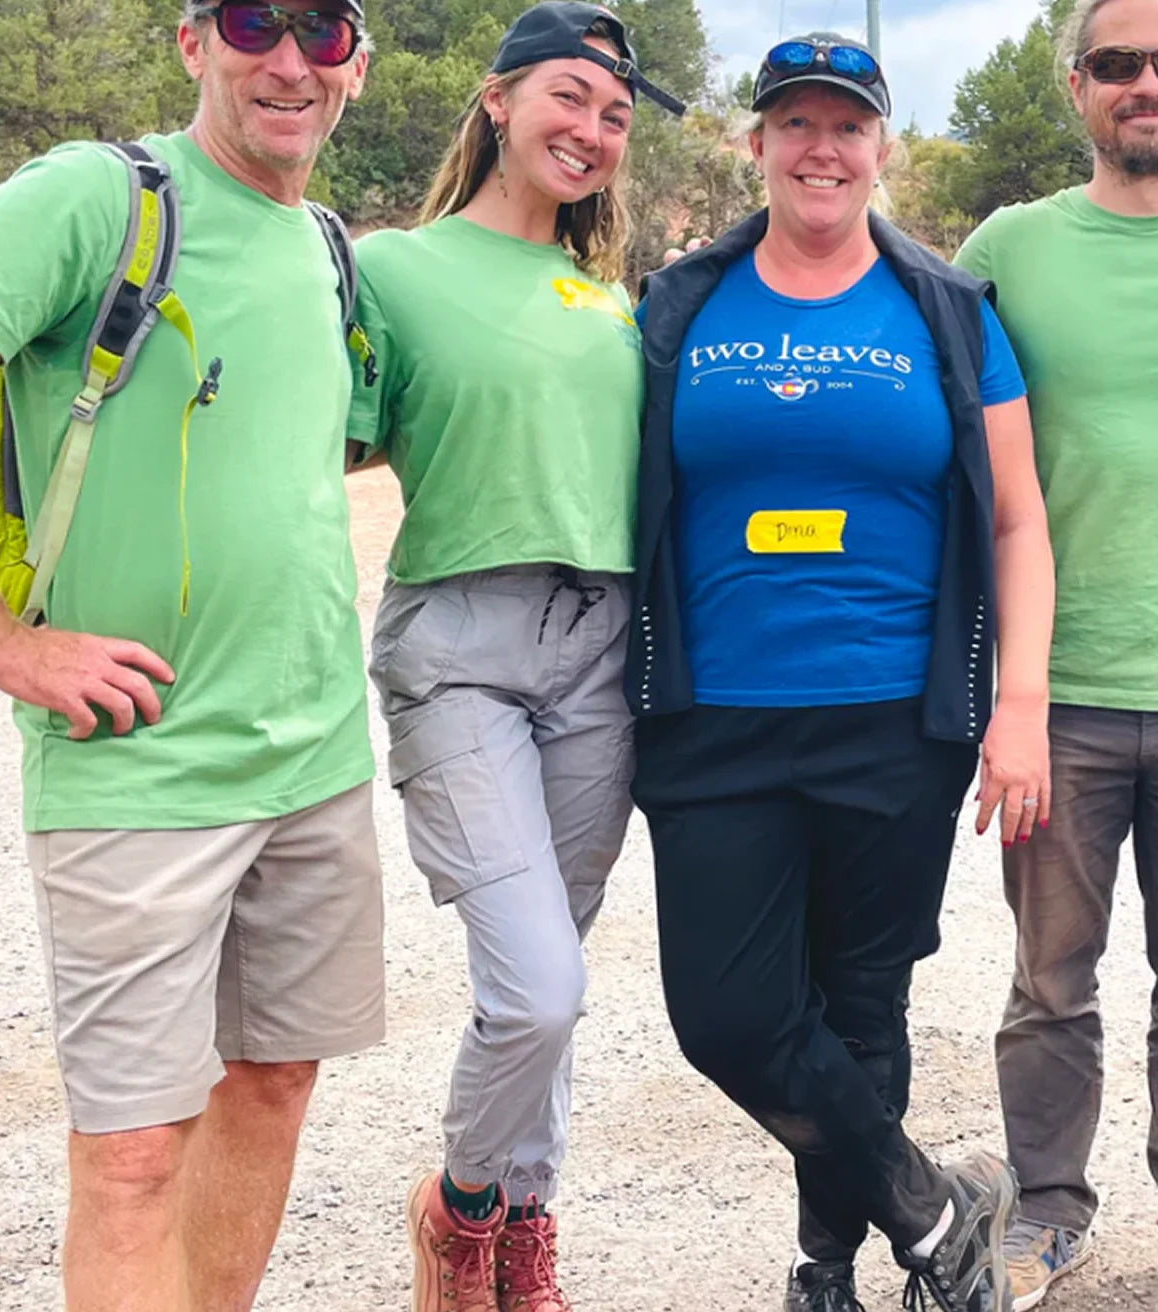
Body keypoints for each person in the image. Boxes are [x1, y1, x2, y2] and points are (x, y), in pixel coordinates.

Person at [0, 2, 381, 1308]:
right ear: (193, 42)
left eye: (323, 28)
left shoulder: (327, 248)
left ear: (355, 59)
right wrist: (1, 641)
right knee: (131, 1154)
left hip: (313, 759)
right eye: (254, 19)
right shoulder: (100, 200)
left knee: (274, 1084)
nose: (289, 59)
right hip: (134, 765)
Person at [628, 34, 1056, 1312]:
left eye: (848, 124)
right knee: (729, 1016)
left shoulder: (949, 313)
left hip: (893, 721)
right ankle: (938, 1212)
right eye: (794, 123)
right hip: (714, 721)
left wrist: (1017, 706)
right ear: (753, 144)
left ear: (882, 147)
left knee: (863, 1004)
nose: (822, 147)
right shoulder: (679, 305)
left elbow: (1020, 520)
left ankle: (831, 1271)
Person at [345, 5, 683, 1310]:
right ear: (495, 101)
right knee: (537, 989)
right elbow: (321, 438)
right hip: (460, 647)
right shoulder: (393, 269)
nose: (592, 130)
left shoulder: (606, 305)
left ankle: (523, 1224)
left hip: (600, 653)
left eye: (614, 115)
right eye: (568, 97)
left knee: (556, 972)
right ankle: (463, 1204)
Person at [954, 0, 1158, 1306]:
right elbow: (929, 418)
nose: (1147, 84)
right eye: (1118, 63)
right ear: (1076, 87)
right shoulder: (1010, 247)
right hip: (1053, 697)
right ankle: (1046, 1212)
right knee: (1048, 986)